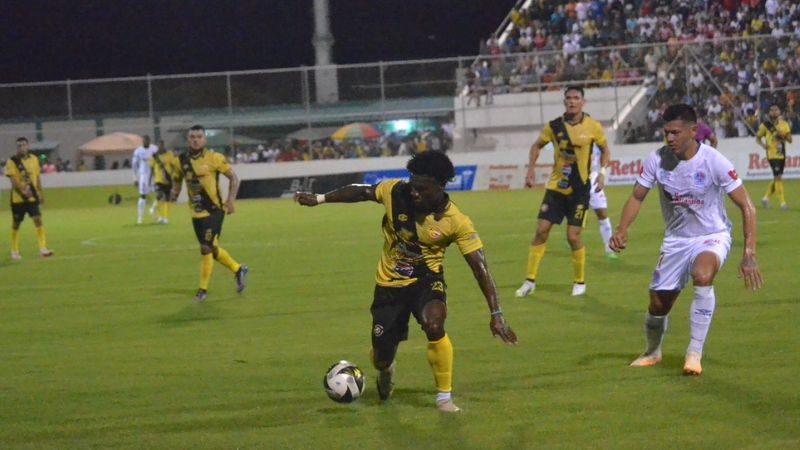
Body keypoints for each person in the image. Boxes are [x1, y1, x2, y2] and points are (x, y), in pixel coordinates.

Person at [294, 151, 517, 412]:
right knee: (381, 357)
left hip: (426, 282)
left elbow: (480, 268)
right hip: (389, 285)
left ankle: (444, 397)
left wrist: (496, 312)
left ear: (440, 186)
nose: (414, 194)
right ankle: (386, 369)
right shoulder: (395, 192)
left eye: (421, 190)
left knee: (434, 324)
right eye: (413, 187)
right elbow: (362, 191)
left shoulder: (457, 221)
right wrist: (320, 199)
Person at [609, 104, 763, 376]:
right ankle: (652, 351)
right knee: (658, 304)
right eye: (666, 133)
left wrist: (749, 252)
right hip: (676, 241)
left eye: (675, 133)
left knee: (702, 275)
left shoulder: (713, 161)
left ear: (693, 131)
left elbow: (747, 206)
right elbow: (636, 196)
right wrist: (622, 229)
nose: (669, 139)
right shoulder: (656, 160)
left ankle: (694, 353)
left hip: (712, 236)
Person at [516, 85, 610, 298]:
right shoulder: (554, 126)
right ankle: (529, 281)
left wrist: (602, 172)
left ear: (583, 102)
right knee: (541, 230)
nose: (572, 101)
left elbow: (605, 149)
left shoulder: (593, 126)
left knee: (573, 236)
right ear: (564, 101)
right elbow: (536, 145)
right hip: (556, 188)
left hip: (580, 190)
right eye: (568, 98)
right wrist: (530, 170)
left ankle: (579, 281)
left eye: (576, 98)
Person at [170, 125, 248, 302]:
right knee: (212, 249)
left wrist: (230, 201)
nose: (195, 139)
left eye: (199, 136)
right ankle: (238, 269)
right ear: (187, 140)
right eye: (192, 137)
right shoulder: (180, 161)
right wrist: (173, 195)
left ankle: (202, 290)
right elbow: (176, 181)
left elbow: (234, 178)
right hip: (196, 213)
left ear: (204, 140)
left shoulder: (214, 158)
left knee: (205, 247)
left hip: (214, 211)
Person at [4, 137, 54, 260]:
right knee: (16, 224)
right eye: (19, 146)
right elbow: (13, 180)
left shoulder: (34, 160)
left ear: (28, 146)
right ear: (17, 147)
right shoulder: (12, 161)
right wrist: (23, 189)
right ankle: (14, 250)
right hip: (18, 198)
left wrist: (40, 193)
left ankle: (43, 248)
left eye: (24, 145)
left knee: (38, 219)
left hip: (32, 197)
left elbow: (37, 178)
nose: (22, 147)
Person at [756, 103, 792, 209]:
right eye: (772, 110)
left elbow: (790, 140)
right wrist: (763, 145)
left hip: (782, 154)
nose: (774, 112)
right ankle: (783, 203)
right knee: (778, 177)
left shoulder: (784, 124)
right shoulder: (765, 125)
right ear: (769, 113)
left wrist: (783, 135)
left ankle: (766, 198)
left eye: (776, 110)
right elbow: (757, 137)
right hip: (772, 155)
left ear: (779, 112)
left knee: (777, 177)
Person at [148, 139, 179, 224]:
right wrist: (149, 180)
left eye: (162, 145)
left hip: (168, 179)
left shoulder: (169, 154)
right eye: (159, 145)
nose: (161, 147)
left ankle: (164, 218)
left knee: (167, 199)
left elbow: (174, 165)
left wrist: (174, 175)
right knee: (160, 195)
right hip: (158, 180)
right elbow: (151, 169)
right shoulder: (154, 156)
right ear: (157, 146)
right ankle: (155, 209)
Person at [131, 135, 157, 224]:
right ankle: (140, 218)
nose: (146, 142)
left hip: (154, 176)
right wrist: (134, 178)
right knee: (143, 196)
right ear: (142, 141)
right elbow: (134, 166)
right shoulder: (138, 151)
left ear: (149, 141)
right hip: (143, 176)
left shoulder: (154, 149)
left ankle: (153, 209)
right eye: (144, 140)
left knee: (162, 194)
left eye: (148, 140)